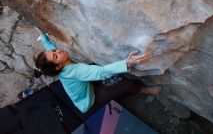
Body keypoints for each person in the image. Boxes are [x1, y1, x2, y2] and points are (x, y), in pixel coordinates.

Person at [33, 28, 161, 114]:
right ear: (58, 67)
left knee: (94, 72)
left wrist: (42, 35)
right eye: (56, 55)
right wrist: (127, 63)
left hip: (85, 89)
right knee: (127, 85)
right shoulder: (76, 71)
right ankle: (144, 90)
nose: (58, 51)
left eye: (55, 51)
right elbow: (101, 72)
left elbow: (49, 46)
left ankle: (101, 87)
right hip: (88, 102)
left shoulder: (56, 66)